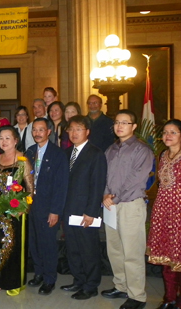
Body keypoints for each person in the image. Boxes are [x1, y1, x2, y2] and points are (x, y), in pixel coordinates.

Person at [101, 109, 154, 309]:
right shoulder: (111, 150)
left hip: (131, 205)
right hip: (110, 205)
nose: (120, 126)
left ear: (134, 126)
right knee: (114, 249)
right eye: (117, 122)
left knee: (132, 252)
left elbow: (136, 180)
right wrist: (105, 195)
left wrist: (114, 198)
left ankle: (137, 296)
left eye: (125, 122)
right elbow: (104, 175)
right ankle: (121, 286)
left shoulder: (142, 150)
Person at [61, 115, 107, 300]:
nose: (74, 133)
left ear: (87, 132)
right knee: (72, 249)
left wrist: (91, 212)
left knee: (88, 249)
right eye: (71, 129)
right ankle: (78, 280)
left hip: (85, 212)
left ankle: (91, 285)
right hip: (68, 211)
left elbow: (97, 185)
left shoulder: (96, 154)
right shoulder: (65, 154)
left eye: (78, 129)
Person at [25, 118, 69, 295]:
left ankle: (49, 279)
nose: (37, 133)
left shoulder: (58, 154)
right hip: (31, 206)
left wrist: (55, 211)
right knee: (34, 242)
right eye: (34, 130)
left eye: (41, 130)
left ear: (49, 132)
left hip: (48, 207)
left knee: (48, 244)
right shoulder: (29, 152)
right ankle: (38, 273)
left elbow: (61, 186)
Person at [0, 126, 34, 295]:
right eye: (1, 138)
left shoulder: (23, 160)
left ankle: (16, 282)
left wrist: (24, 208)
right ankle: (2, 280)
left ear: (16, 140)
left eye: (8, 138)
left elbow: (30, 189)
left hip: (17, 214)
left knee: (14, 247)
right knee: (1, 247)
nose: (4, 141)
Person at [147, 119, 181, 309]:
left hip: (180, 212)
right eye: (165, 132)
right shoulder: (162, 155)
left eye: (173, 132)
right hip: (164, 210)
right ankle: (169, 298)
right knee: (167, 257)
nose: (167, 136)